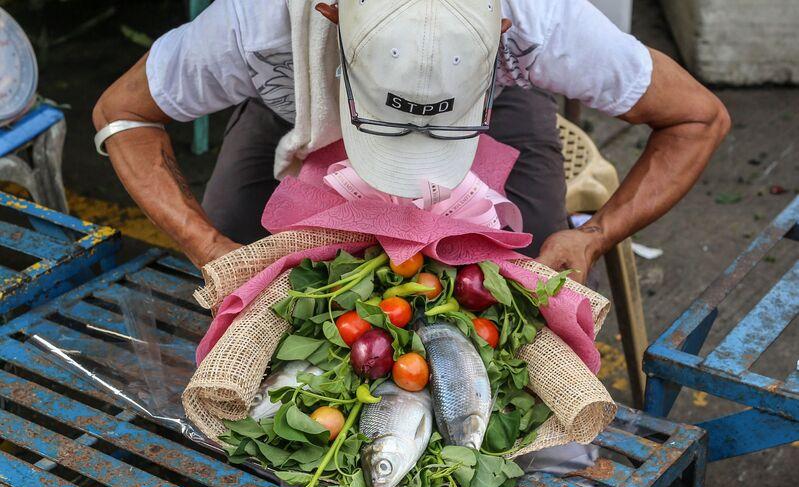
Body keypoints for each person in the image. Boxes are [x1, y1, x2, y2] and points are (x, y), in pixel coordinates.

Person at [93, 0, 730, 284]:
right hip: (295, 101)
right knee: (236, 259)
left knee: (529, 277)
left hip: (501, 109)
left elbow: (698, 119)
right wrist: (207, 246)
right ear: (331, 15)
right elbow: (123, 114)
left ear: (500, 29)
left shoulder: (544, 20)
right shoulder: (257, 24)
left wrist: (594, 236)